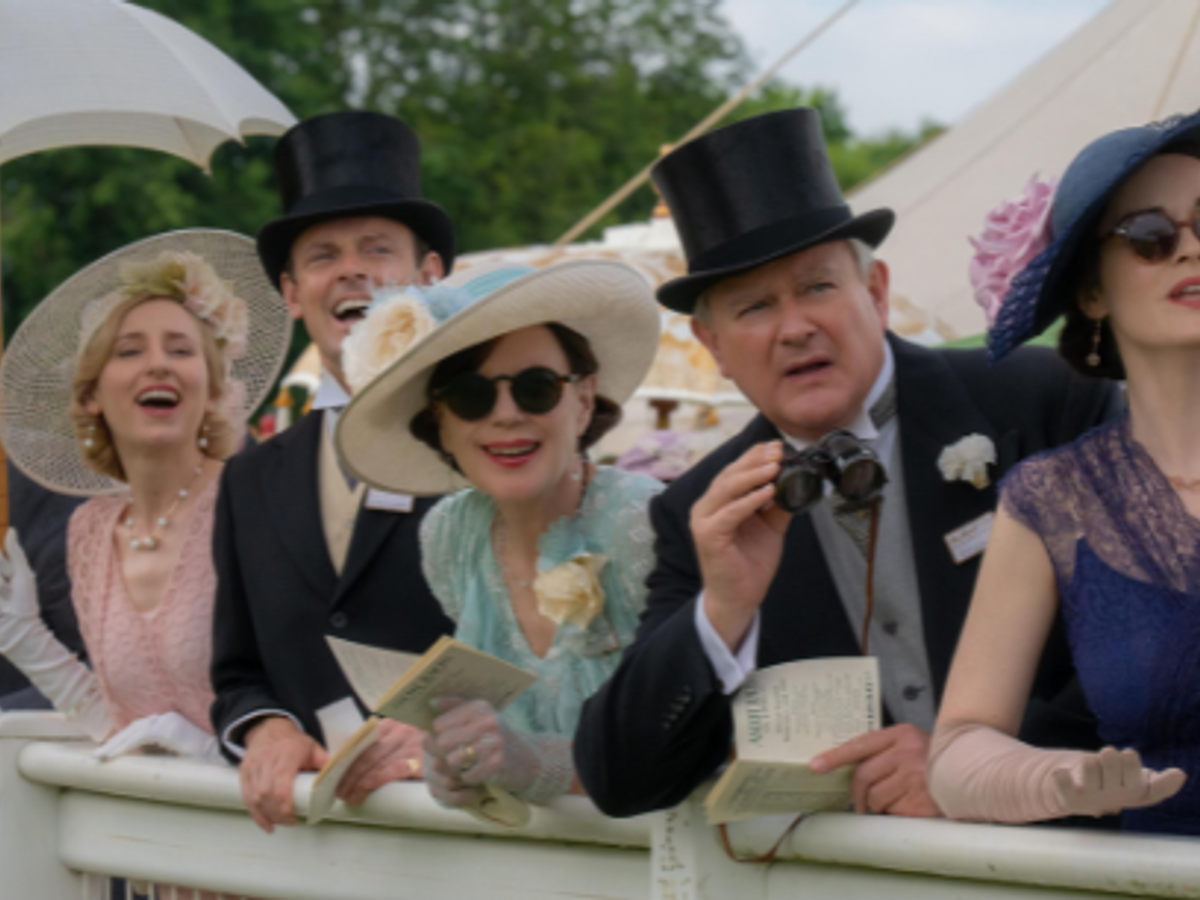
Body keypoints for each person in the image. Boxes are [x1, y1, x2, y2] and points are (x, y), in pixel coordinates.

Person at [574, 108, 1122, 819]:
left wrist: (982, 771)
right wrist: (722, 610)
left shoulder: (1045, 403)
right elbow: (622, 780)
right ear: (712, 343)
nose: (795, 326)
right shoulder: (702, 512)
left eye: (817, 287)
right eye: (754, 306)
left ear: (876, 290)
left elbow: (1148, 644)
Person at [929, 114, 1200, 835]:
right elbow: (956, 751)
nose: (1192, 250)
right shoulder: (1053, 498)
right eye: (1152, 236)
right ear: (1091, 294)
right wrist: (1052, 777)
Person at [209, 111, 460, 833]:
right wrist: (266, 730)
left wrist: (454, 731)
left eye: (377, 249)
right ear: (292, 294)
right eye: (322, 256)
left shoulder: (491, 445)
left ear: (428, 274)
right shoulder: (250, 480)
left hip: (462, 838)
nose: (349, 269)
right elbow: (237, 673)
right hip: (309, 847)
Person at [335, 261, 662, 811]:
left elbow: (696, 747)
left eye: (536, 388)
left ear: (584, 401)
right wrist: (456, 765)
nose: (507, 415)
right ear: (439, 419)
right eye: (471, 395)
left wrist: (534, 763)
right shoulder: (449, 539)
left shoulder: (644, 523)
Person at [0, 231, 290, 759]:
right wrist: (23, 635)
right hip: (141, 827)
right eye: (129, 351)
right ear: (91, 395)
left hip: (261, 825)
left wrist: (208, 750)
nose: (158, 364)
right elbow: (112, 719)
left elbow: (301, 694)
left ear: (214, 389)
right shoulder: (88, 530)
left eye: (180, 350)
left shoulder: (254, 503)